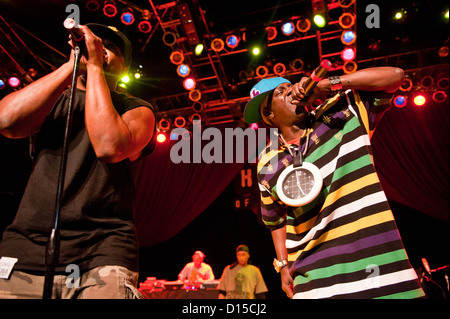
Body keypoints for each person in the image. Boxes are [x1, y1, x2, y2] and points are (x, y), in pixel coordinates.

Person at [0, 23, 156, 299]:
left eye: (112, 47)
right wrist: (71, 66)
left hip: (102, 252)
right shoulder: (53, 101)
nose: (99, 47)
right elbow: (6, 121)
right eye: (94, 43)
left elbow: (109, 147)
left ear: (125, 66)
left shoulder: (136, 108)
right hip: (26, 248)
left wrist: (95, 65)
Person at [243, 66, 425, 299]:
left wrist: (326, 85)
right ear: (269, 115)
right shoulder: (267, 161)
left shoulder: (341, 112)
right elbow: (275, 219)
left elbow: (396, 77)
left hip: (381, 269)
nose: (290, 93)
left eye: (290, 87)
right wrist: (282, 265)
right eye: (281, 93)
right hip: (316, 282)